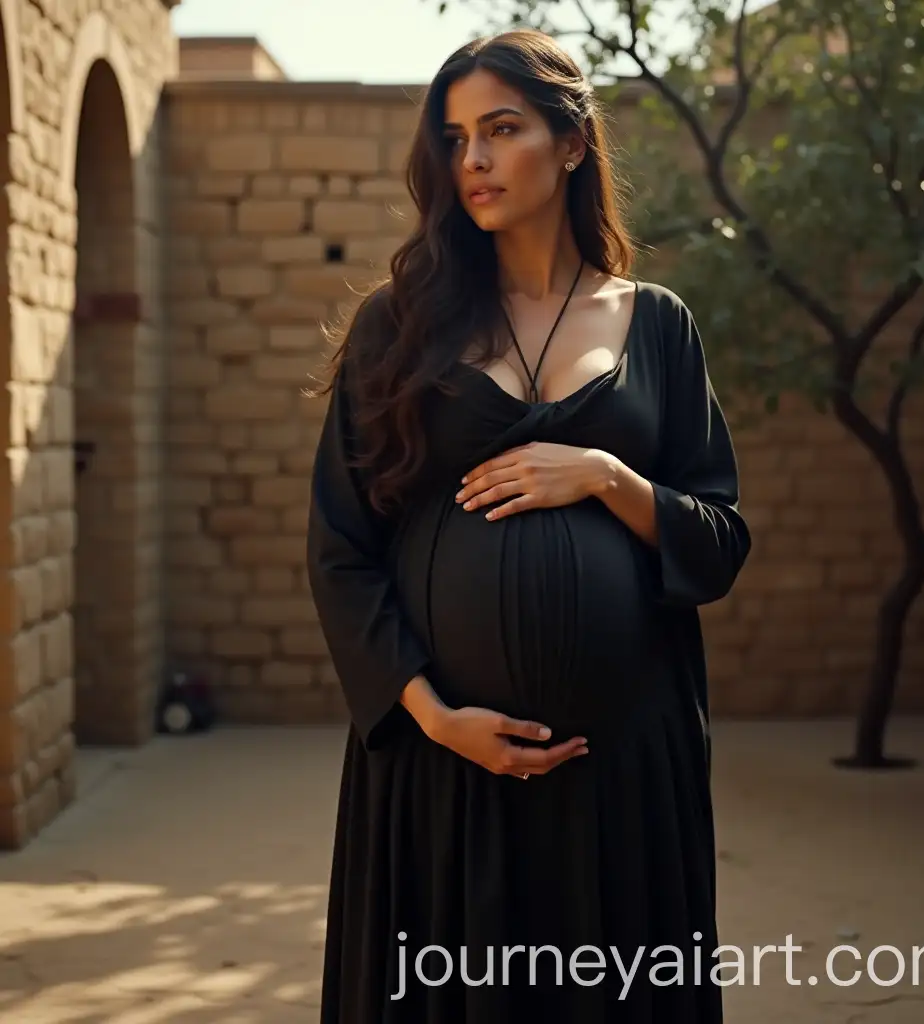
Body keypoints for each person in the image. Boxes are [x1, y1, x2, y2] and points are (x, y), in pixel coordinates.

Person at [306, 27, 751, 1024]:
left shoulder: (658, 326)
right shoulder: (400, 322)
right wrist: (430, 714)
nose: (472, 160)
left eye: (500, 129)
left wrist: (601, 475)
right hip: (441, 770)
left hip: (623, 774)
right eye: (455, 136)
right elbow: (340, 548)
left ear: (572, 141)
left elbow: (718, 540)